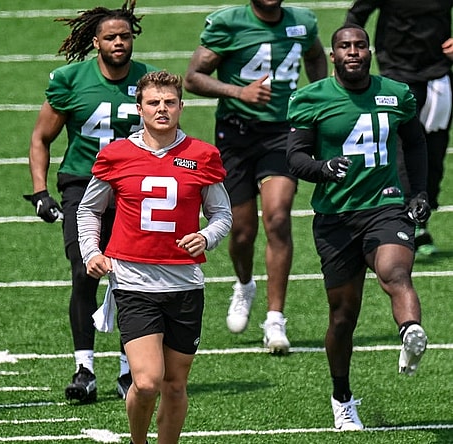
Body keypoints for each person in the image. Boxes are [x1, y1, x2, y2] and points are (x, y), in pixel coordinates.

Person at [286, 25, 429, 431]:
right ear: (332, 56)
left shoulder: (396, 94)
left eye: (360, 45)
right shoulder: (312, 98)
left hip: (386, 206)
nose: (353, 52)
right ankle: (342, 398)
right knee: (343, 317)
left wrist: (419, 192)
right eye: (345, 46)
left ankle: (411, 332)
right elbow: (295, 157)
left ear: (370, 52)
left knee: (395, 272)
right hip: (336, 217)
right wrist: (323, 168)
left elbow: (415, 142)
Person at [78, 70, 232, 444]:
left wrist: (206, 237)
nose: (162, 109)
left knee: (175, 386)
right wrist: (91, 251)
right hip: (134, 282)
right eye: (153, 102)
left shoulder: (202, 155)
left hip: (184, 284)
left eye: (169, 102)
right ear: (139, 108)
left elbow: (222, 214)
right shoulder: (115, 155)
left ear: (181, 106)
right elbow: (89, 209)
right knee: (147, 382)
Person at [24, 0, 160, 403]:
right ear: (96, 42)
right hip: (83, 186)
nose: (119, 42)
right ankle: (84, 369)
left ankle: (128, 370)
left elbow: (167, 137)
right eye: (111, 37)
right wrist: (40, 192)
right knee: (85, 271)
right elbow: (41, 138)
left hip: (135, 189)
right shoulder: (71, 79)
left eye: (125, 36)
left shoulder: (149, 81)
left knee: (134, 278)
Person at [182, 0, 328, 354]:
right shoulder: (229, 22)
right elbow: (192, 78)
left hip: (283, 132)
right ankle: (245, 284)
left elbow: (315, 56)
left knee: (277, 218)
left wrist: (320, 97)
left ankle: (275, 319)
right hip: (237, 134)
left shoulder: (302, 21)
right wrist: (239, 91)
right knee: (242, 231)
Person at [345, 0, 453, 256]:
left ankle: (421, 220)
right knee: (400, 150)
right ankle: (403, 222)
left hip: (438, 74)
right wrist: (352, 56)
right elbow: (356, 15)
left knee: (434, 154)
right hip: (396, 73)